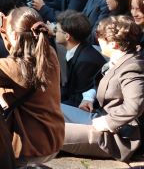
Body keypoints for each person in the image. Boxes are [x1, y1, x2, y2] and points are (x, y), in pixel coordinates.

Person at [0, 7, 65, 165]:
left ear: (16, 35)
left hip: (28, 149)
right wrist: (6, 30)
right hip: (53, 139)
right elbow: (18, 49)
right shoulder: (48, 52)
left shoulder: (13, 67)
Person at [62, 16, 144, 161]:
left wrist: (107, 122)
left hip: (116, 137)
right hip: (100, 117)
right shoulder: (121, 59)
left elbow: (135, 105)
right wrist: (90, 97)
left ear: (113, 44)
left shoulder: (131, 69)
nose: (97, 41)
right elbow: (108, 84)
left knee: (48, 132)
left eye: (100, 37)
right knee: (53, 108)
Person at [57, 10, 106, 108]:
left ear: (67, 36)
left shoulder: (86, 62)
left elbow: (78, 98)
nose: (55, 33)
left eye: (56, 30)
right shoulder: (77, 50)